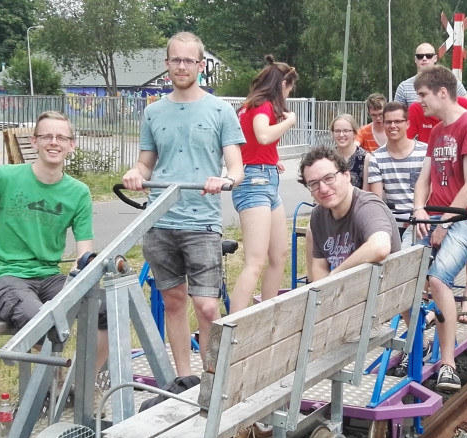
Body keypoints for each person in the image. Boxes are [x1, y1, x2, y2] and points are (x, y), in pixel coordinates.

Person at [122, 32, 245, 383]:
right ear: (167, 65)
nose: (181, 66)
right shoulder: (153, 112)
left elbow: (236, 168)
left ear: (200, 65)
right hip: (161, 218)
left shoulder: (220, 110)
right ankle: (184, 378)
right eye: (175, 59)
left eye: (188, 60)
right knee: (173, 301)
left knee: (207, 306)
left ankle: (211, 381)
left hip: (201, 220)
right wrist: (135, 172)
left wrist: (223, 180)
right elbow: (146, 164)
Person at [0, 111, 106, 364]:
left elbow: (84, 252)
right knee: (41, 321)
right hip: (4, 278)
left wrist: (87, 268)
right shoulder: (6, 177)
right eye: (46, 136)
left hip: (49, 278)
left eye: (61, 137)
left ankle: (82, 385)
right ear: (34, 141)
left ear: (72, 145)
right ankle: (55, 387)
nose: (54, 142)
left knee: (107, 308)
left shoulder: (79, 193)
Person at [410, 66, 467, 394]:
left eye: (423, 95)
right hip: (433, 216)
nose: (419, 102)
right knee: (399, 270)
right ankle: (415, 344)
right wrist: (419, 208)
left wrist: (444, 223)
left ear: (442, 92)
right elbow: (424, 179)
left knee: (438, 277)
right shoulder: (436, 132)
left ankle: (448, 363)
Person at [229, 55, 297, 313]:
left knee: (278, 255)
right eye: (289, 89)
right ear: (283, 85)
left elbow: (252, 144)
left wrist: (272, 159)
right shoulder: (263, 106)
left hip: (266, 177)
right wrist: (289, 121)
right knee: (256, 261)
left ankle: (265, 315)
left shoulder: (252, 106)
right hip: (255, 182)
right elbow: (263, 134)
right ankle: (232, 324)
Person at [301, 145, 401, 280]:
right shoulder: (318, 215)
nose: (323, 189)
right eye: (314, 184)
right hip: (348, 295)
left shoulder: (367, 206)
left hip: (380, 296)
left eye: (329, 178)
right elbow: (319, 269)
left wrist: (336, 274)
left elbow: (380, 247)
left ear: (346, 175)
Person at [365, 101, 427, 223]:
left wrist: (416, 216)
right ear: (383, 125)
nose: (393, 125)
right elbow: (377, 200)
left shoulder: (425, 152)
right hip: (391, 221)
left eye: (398, 121)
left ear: (408, 124)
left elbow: (431, 192)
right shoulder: (376, 157)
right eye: (388, 122)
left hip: (422, 219)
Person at [393, 43, 467, 106]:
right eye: (420, 56)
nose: (424, 58)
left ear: (435, 58)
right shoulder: (404, 87)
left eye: (429, 56)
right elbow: (396, 116)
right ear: (415, 59)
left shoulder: (451, 82)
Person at [329, 114, 367, 189]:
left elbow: (366, 193)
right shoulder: (327, 158)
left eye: (346, 131)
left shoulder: (365, 158)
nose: (341, 134)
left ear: (355, 133)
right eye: (337, 131)